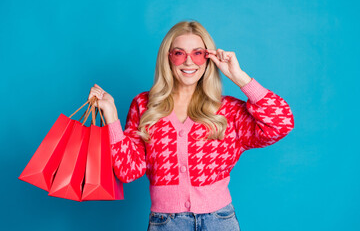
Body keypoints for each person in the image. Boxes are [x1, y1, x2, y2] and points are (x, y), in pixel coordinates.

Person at [88, 21, 294, 231]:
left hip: (219, 221)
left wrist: (238, 76)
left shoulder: (227, 110)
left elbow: (281, 123)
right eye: (179, 53)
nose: (188, 62)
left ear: (208, 59)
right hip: (166, 223)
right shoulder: (144, 105)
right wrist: (111, 117)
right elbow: (127, 171)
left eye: (197, 54)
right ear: (168, 58)